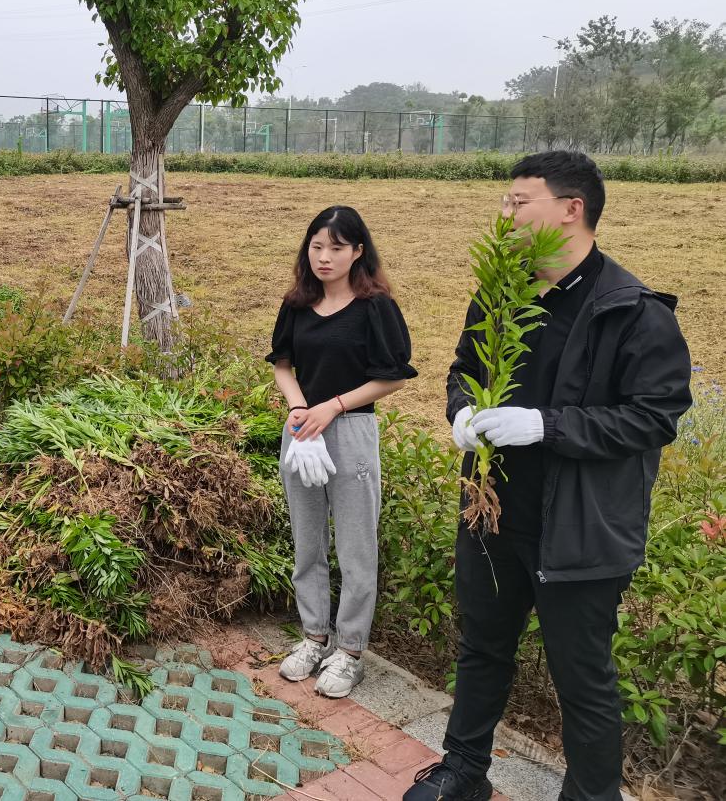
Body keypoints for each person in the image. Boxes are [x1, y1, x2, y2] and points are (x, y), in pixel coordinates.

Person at [405, 152, 693, 801]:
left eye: (518, 201)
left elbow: (654, 417)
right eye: (504, 201)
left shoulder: (632, 311)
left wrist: (546, 425)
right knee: (482, 648)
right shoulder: (501, 291)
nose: (505, 213)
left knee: (582, 679)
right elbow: (464, 369)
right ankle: (463, 769)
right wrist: (461, 411)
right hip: (492, 515)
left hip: (577, 532)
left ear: (571, 209)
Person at [267, 206, 416, 699]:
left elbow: (392, 376)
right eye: (316, 246)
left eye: (336, 248)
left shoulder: (376, 307)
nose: (324, 257)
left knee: (355, 547)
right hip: (301, 431)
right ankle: (314, 636)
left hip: (350, 430)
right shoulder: (297, 302)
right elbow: (283, 363)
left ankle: (350, 650)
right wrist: (298, 407)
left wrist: (332, 406)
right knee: (307, 542)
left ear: (357, 252)